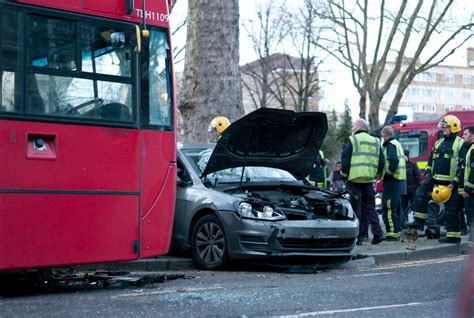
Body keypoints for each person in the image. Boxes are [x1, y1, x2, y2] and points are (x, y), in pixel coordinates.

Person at [407, 115, 464, 244]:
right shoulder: (439, 142)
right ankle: (419, 221)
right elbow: (431, 160)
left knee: (451, 211)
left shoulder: (460, 144)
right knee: (420, 195)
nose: (443, 129)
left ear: (453, 127)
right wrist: (427, 171)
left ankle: (453, 236)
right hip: (434, 180)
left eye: (446, 126)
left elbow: (462, 166)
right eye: (443, 126)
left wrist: (455, 182)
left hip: (450, 183)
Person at [341, 118, 385, 245]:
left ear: (359, 127)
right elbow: (381, 161)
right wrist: (376, 174)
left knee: (356, 208)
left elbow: (345, 159)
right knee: (371, 208)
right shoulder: (376, 141)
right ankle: (378, 234)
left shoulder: (353, 140)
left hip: (353, 180)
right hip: (368, 180)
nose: (352, 129)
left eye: (353, 126)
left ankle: (359, 238)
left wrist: (345, 175)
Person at [380, 126, 407, 241]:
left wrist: (388, 173)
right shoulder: (397, 143)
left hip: (392, 179)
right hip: (399, 180)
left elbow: (394, 161)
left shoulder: (390, 145)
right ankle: (397, 231)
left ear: (384, 135)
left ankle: (391, 233)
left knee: (389, 207)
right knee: (396, 208)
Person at [458, 126, 474, 238]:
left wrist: (467, 188)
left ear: (472, 136)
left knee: (472, 221)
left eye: (465, 134)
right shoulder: (467, 148)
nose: (462, 136)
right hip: (469, 191)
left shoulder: (472, 150)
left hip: (471, 191)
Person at [400, 149, 421, 226]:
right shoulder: (400, 165)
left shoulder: (413, 165)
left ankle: (415, 222)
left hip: (412, 190)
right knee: (403, 207)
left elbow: (418, 177)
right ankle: (404, 223)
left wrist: (418, 188)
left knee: (414, 207)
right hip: (403, 191)